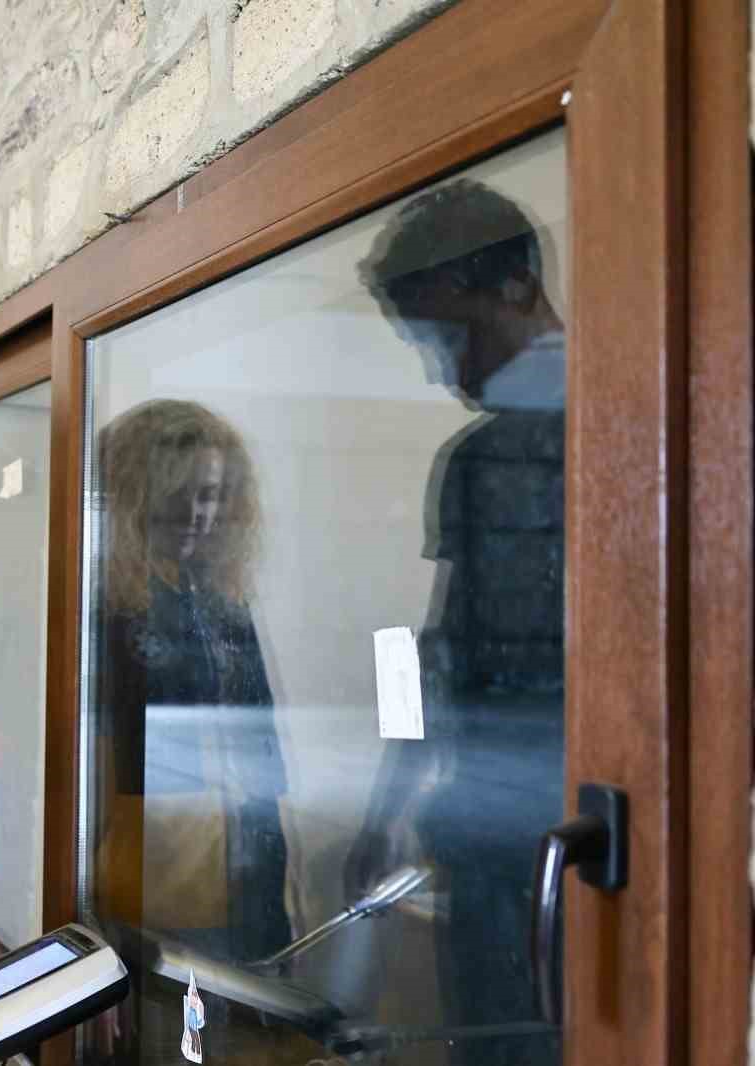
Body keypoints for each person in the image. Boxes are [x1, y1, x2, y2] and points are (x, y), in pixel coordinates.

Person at [348, 178, 565, 1066]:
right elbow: (438, 658)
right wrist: (385, 809)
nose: (442, 369)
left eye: (449, 333)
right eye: (423, 344)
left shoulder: (637, 417)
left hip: (574, 848)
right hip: (489, 846)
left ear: (515, 285)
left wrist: (385, 811)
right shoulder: (478, 455)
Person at [89, 400, 292, 1065]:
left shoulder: (227, 609)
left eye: (212, 493)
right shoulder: (109, 615)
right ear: (135, 498)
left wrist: (276, 900)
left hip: (243, 894)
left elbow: (266, 769)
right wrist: (96, 929)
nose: (197, 514)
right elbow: (89, 780)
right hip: (150, 900)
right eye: (178, 493)